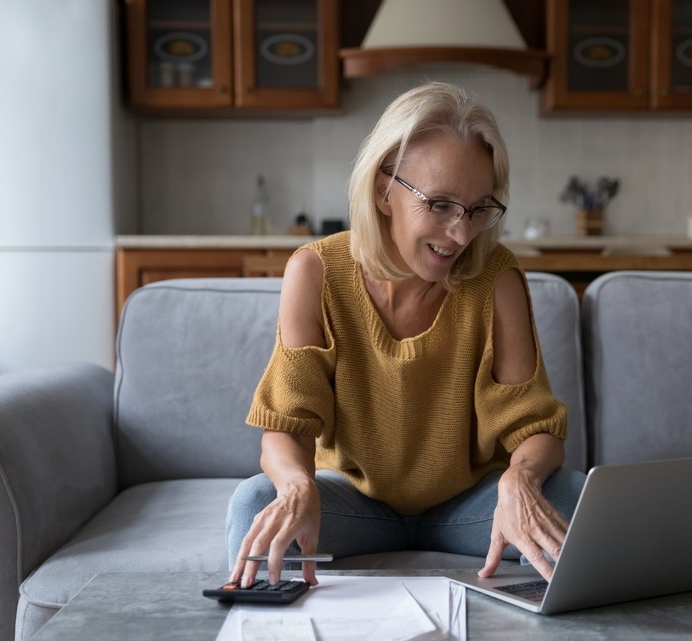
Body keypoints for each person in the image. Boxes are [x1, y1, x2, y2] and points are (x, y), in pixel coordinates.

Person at [227, 81, 585, 589]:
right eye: (440, 205)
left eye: (478, 208)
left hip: (467, 507)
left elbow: (535, 429)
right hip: (353, 504)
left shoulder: (495, 276)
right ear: (383, 189)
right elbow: (287, 425)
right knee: (254, 502)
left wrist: (520, 479)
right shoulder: (316, 271)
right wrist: (295, 485)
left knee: (569, 498)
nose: (461, 234)